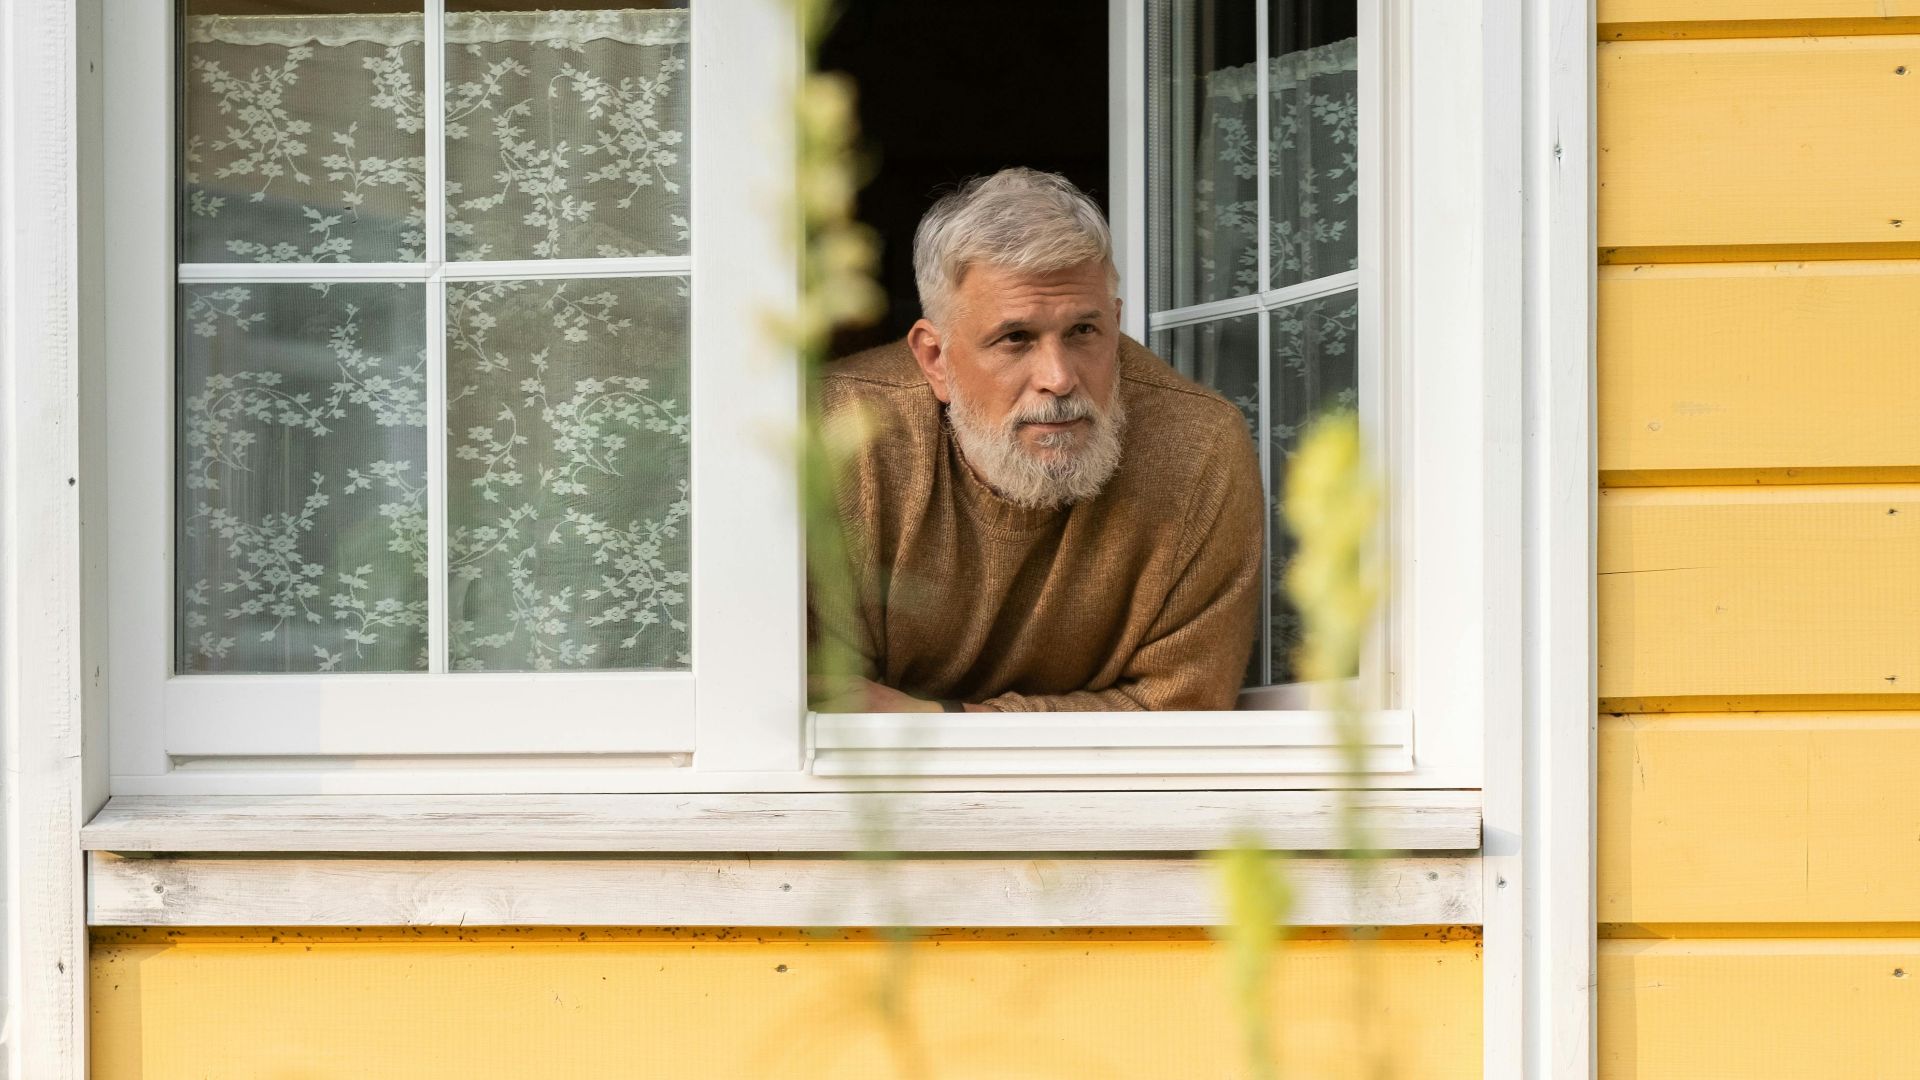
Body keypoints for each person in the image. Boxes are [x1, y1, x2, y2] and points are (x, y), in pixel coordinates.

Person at [813, 167, 1262, 712]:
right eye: (1016, 337)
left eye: (1083, 332)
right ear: (935, 358)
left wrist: (943, 723)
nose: (1060, 377)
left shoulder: (1200, 447)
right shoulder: (840, 430)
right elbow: (817, 701)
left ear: (1115, 325)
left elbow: (1182, 709)